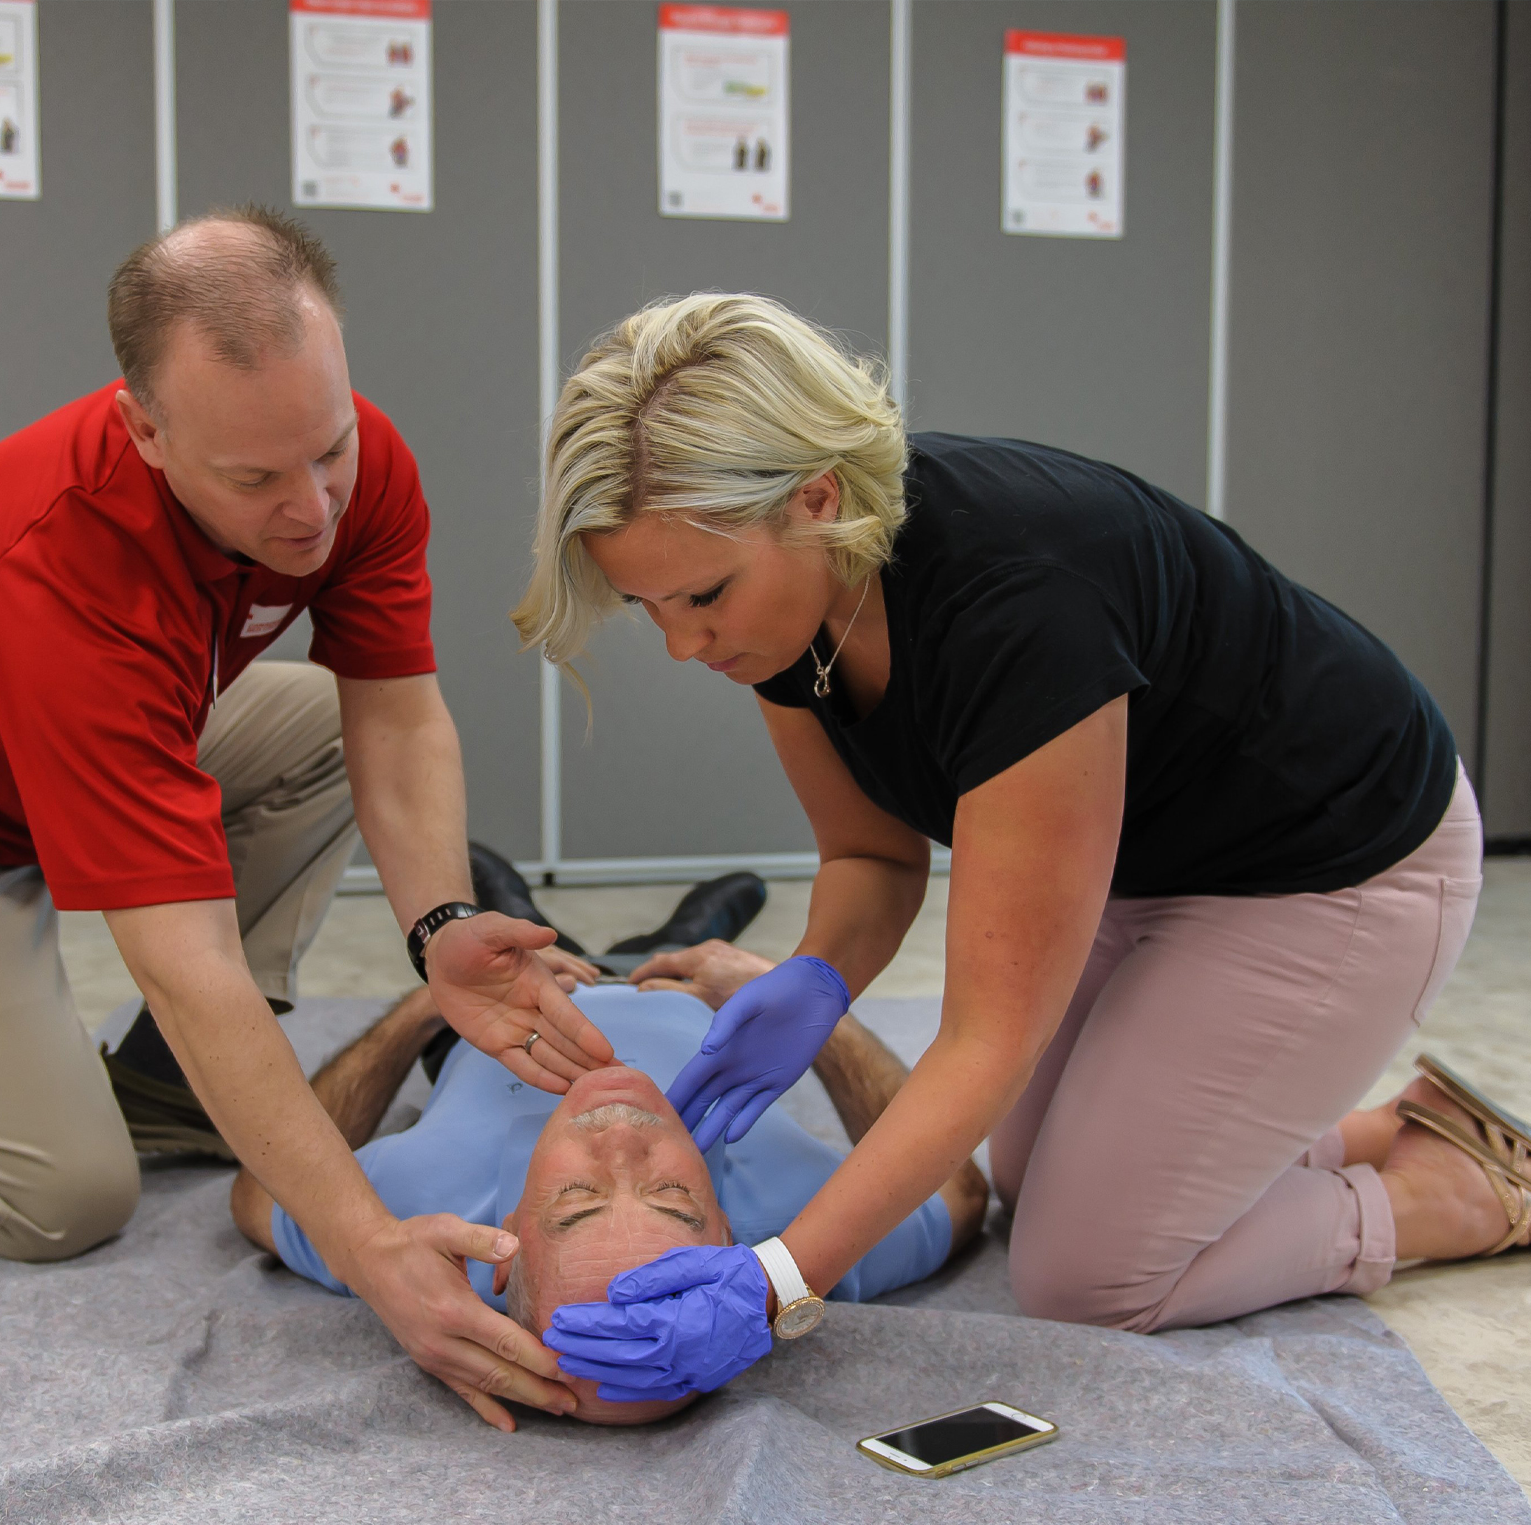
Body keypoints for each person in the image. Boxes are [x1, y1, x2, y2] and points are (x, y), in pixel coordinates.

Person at [0, 206, 616, 1432]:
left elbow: (399, 721)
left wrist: (441, 923)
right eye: (254, 478)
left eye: (330, 449)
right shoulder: (60, 567)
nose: (311, 510)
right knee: (56, 1198)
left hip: (45, 768)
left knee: (309, 722)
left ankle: (160, 1088)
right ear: (146, 428)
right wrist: (366, 1245)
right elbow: (184, 960)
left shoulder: (354, 467)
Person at [512, 292, 1524, 1404]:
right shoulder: (787, 613)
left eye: (703, 596)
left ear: (817, 499)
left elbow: (986, 1042)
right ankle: (1381, 1124)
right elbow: (873, 858)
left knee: (1086, 1277)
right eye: (646, 605)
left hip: (1338, 863)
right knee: (1022, 1181)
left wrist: (775, 1282)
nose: (682, 643)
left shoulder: (1019, 603)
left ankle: (1454, 1193)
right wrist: (817, 974)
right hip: (1151, 861)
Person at [223, 940, 987, 1425]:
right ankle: (697, 925)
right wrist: (808, 1004)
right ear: (730, 1235)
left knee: (509, 917)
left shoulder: (426, 1229)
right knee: (678, 938)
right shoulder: (803, 1242)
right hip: (692, 994)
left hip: (515, 1004)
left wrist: (421, 1011)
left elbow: (262, 1188)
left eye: (576, 1198)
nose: (622, 1137)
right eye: (672, 1197)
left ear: (505, 1241)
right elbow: (959, 1192)